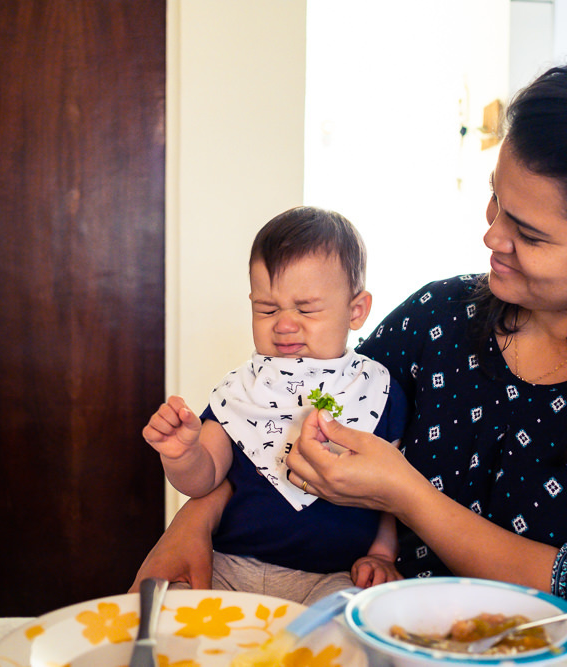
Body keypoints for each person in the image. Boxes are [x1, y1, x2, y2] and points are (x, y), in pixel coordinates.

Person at [131, 55, 567, 603]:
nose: (492, 236)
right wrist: (199, 513)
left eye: (531, 233)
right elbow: (295, 421)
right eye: (495, 200)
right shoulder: (438, 318)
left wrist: (410, 496)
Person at [139, 205, 408, 604]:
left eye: (306, 309)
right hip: (230, 566)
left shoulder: (377, 390)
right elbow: (204, 479)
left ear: (356, 311)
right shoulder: (242, 388)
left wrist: (382, 554)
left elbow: (394, 490)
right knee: (172, 609)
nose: (283, 324)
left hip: (333, 575)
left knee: (346, 637)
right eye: (266, 308)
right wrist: (182, 455)